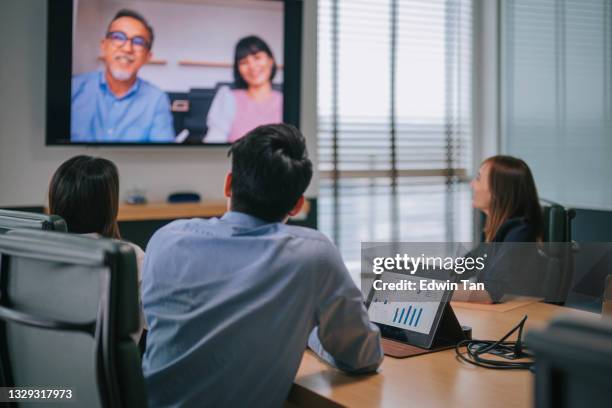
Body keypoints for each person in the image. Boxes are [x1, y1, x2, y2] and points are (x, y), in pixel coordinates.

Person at [142, 124, 383, 407]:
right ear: (297, 205)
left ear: (229, 184)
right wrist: (310, 330)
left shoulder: (166, 240)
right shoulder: (313, 255)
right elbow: (362, 357)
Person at [48, 155, 146, 339]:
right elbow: (156, 323)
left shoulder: (25, 253)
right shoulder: (130, 256)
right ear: (109, 206)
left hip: (36, 364)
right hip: (104, 367)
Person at [71, 9, 174, 143]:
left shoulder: (157, 99)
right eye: (118, 37)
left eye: (138, 42)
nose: (127, 48)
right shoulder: (74, 88)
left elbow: (161, 156)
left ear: (148, 56)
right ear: (104, 45)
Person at [468, 155, 544, 302]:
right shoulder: (493, 231)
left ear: (497, 191)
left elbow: (489, 293)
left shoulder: (520, 233)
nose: (472, 184)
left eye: (478, 178)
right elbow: (459, 270)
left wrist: (433, 292)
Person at [204, 35, 283, 143]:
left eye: (257, 58)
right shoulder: (227, 97)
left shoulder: (286, 100)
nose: (252, 66)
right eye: (244, 62)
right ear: (238, 69)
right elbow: (213, 141)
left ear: (270, 60)